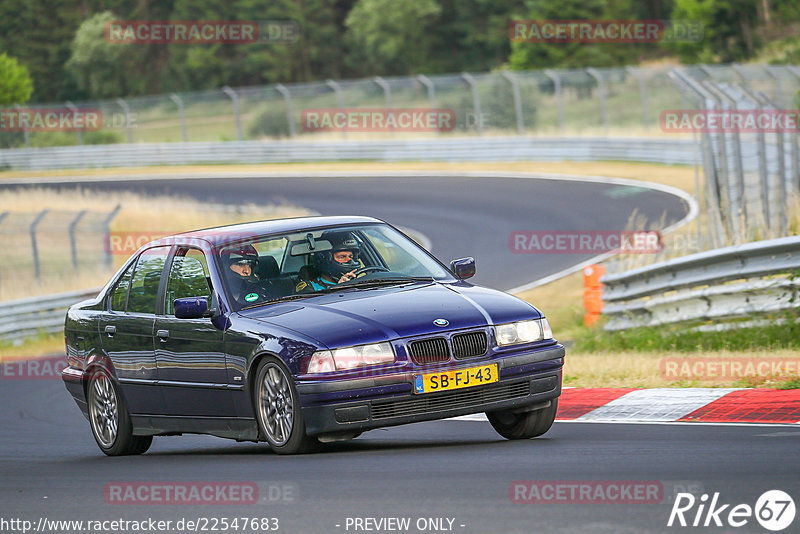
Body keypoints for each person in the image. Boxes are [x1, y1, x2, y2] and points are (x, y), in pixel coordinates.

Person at [296, 232, 362, 293]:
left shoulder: (363, 281)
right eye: (342, 257)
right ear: (325, 259)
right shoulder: (311, 287)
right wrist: (337, 290)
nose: (349, 260)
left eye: (351, 256)